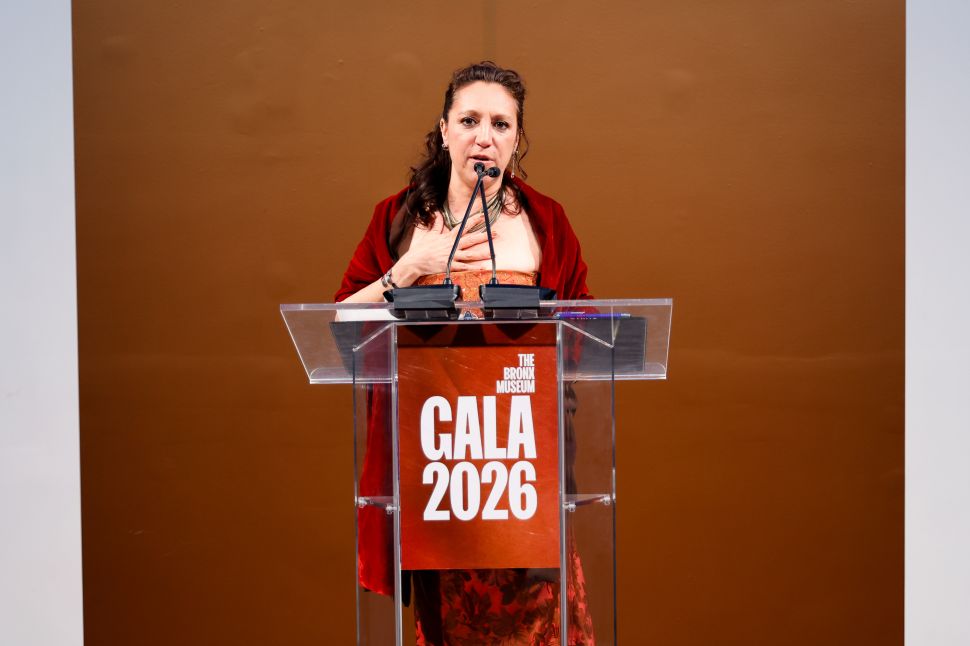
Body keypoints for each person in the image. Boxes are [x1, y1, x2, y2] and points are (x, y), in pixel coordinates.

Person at [336, 61, 594, 645]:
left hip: (522, 469)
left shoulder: (545, 221)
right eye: (470, 119)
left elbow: (583, 335)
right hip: (439, 474)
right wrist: (408, 271)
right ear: (445, 129)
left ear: (517, 139)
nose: (485, 136)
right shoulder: (398, 219)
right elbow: (341, 324)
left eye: (502, 124)